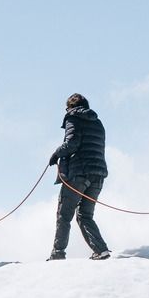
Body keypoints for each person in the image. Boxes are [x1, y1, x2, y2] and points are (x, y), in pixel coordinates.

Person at [47, 94, 112, 261]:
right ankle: (100, 249)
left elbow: (72, 143)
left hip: (79, 173)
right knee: (85, 214)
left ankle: (58, 253)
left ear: (70, 107)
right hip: (98, 174)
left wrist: (56, 154)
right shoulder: (98, 123)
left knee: (64, 214)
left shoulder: (73, 118)